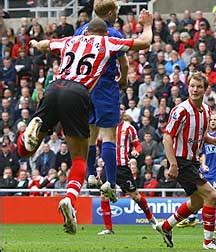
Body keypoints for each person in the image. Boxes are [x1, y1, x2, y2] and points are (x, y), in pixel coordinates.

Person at [16, 14, 153, 235]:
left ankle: (28, 134)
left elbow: (43, 45)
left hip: (54, 88)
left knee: (24, 152)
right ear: (105, 32)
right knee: (78, 157)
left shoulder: (70, 39)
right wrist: (147, 24)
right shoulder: (108, 41)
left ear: (86, 32)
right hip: (77, 93)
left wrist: (33, 43)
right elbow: (144, 42)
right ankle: (70, 199)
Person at [74, 0, 142, 203]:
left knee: (90, 134)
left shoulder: (80, 31)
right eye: (117, 10)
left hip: (83, 88)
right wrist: (122, 81)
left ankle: (91, 176)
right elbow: (124, 64)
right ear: (111, 13)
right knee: (109, 135)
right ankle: (110, 183)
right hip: (104, 87)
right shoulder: (112, 33)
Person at [153, 72, 216, 249]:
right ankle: (209, 242)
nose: (195, 89)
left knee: (197, 202)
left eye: (199, 86)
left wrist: (212, 140)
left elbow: (201, 135)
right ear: (188, 87)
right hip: (181, 160)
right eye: (192, 86)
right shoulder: (181, 110)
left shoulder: (207, 110)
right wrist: (172, 164)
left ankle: (165, 227)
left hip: (193, 161)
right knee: (211, 195)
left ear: (205, 89)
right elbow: (167, 137)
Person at [97, 112, 157, 235]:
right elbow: (99, 143)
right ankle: (108, 228)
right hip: (108, 166)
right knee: (104, 195)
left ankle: (152, 219)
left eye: (120, 110)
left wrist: (136, 151)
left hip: (122, 168)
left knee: (136, 196)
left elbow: (138, 145)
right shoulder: (105, 127)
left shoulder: (128, 128)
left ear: (123, 113)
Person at [177, 112, 216, 233]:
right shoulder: (207, 137)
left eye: (215, 120)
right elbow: (203, 153)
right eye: (211, 120)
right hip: (207, 171)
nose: (213, 122)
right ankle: (192, 219)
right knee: (199, 195)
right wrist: (203, 164)